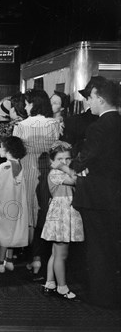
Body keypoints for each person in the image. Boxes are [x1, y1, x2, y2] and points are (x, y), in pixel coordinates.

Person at [70, 76, 121, 308]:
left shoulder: (98, 127)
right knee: (111, 245)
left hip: (96, 195)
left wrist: (74, 167)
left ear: (99, 98)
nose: (88, 102)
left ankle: (101, 296)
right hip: (114, 193)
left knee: (97, 249)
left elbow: (86, 156)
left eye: (90, 98)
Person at [13, 89, 61, 276]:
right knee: (45, 213)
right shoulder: (54, 124)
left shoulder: (22, 125)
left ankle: (32, 257)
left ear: (34, 104)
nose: (25, 106)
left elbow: (16, 153)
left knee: (29, 214)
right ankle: (40, 257)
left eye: (27, 103)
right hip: (48, 170)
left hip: (27, 170)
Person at [41, 141, 83, 300]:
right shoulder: (55, 173)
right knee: (61, 254)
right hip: (61, 213)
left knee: (56, 252)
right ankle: (62, 287)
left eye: (68, 159)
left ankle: (50, 282)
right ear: (52, 161)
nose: (64, 162)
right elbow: (75, 180)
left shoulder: (62, 171)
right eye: (60, 159)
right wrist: (64, 167)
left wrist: (65, 166)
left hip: (64, 212)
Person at [0, 136, 29, 273]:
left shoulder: (5, 166)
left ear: (8, 149)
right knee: (11, 232)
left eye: (2, 147)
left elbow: (2, 187)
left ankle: (0, 263)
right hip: (16, 204)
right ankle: (9, 260)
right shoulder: (19, 164)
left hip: (5, 204)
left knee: (3, 233)